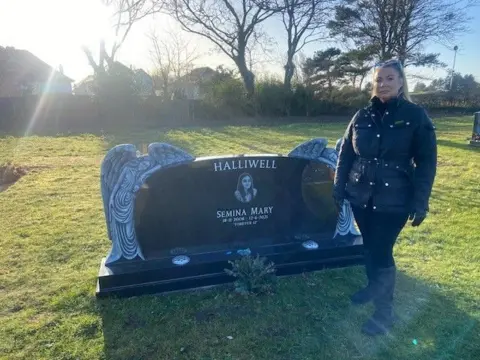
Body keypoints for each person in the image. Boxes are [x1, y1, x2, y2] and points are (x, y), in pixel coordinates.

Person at [333, 59, 437, 336]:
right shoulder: (362, 115)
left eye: (390, 79)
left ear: (401, 82)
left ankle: (384, 312)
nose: (383, 84)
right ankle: (372, 287)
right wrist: (338, 186)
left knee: (381, 251)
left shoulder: (415, 116)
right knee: (369, 247)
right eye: (379, 79)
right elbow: (346, 154)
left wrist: (420, 201)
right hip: (360, 196)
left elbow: (427, 161)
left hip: (395, 199)